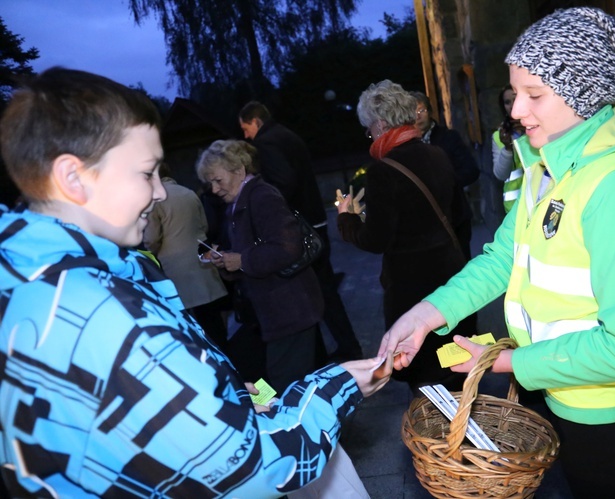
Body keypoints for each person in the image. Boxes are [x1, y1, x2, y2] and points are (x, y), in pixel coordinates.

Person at [0, 67, 393, 498]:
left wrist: (216, 395)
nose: (161, 192)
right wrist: (336, 386)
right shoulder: (107, 317)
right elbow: (250, 470)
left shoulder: (25, 280)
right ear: (73, 178)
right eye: (145, 173)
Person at [378, 1, 615, 497]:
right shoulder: (546, 164)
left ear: (584, 95)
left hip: (611, 410)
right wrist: (424, 314)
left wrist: (504, 363)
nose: (516, 109)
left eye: (534, 94)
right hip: (558, 384)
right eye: (515, 92)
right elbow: (504, 258)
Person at [337, 79, 475, 393]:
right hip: (451, 276)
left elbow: (376, 240)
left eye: (369, 127)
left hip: (413, 288)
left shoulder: (383, 171)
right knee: (455, 364)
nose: (369, 135)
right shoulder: (437, 153)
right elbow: (460, 216)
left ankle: (437, 438)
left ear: (382, 124)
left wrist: (347, 219)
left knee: (426, 376)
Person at [196, 139, 327, 392]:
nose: (213, 189)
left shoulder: (262, 196)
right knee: (265, 378)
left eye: (217, 180)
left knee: (284, 384)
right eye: (209, 182)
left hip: (289, 311)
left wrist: (242, 260)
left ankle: (293, 428)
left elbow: (288, 248)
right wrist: (226, 260)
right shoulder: (240, 201)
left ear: (239, 170)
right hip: (272, 314)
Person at [239, 102, 363, 362]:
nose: (245, 136)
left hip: (301, 226)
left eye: (246, 128)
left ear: (256, 122)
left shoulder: (267, 143)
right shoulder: (287, 134)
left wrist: (273, 211)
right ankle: (346, 344)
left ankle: (332, 350)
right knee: (324, 290)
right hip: (314, 219)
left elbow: (284, 181)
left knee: (314, 293)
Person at [143, 163, 229, 351]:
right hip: (203, 263)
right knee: (214, 322)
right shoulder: (188, 192)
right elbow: (204, 226)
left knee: (193, 327)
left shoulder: (154, 199)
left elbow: (151, 239)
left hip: (175, 268)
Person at [411, 91, 480, 262]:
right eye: (412, 113)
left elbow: (471, 170)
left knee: (461, 266)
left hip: (455, 216)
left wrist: (445, 183)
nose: (418, 117)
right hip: (426, 225)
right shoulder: (408, 146)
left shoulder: (448, 138)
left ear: (430, 111)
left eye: (421, 111)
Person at [491, 84, 526, 213]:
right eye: (507, 102)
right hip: (514, 207)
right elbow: (500, 174)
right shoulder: (498, 136)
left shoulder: (536, 127)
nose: (512, 105)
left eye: (515, 99)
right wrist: (507, 148)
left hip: (540, 198)